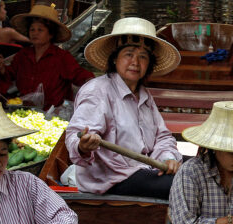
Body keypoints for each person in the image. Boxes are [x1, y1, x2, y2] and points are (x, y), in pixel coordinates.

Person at [65, 17, 182, 199]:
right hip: (111, 177)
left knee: (198, 170)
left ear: (149, 64)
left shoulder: (144, 95)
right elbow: (75, 135)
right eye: (129, 54)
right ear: (115, 59)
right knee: (184, 185)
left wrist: (168, 158)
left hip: (144, 169)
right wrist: (84, 145)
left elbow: (163, 136)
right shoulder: (98, 91)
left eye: (143, 57)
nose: (135, 62)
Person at [0, 4, 93, 111]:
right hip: (25, 111)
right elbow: (9, 75)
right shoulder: (23, 55)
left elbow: (80, 75)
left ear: (50, 34)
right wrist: (1, 67)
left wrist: (94, 85)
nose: (35, 33)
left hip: (52, 114)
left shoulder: (61, 57)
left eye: (40, 30)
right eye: (32, 30)